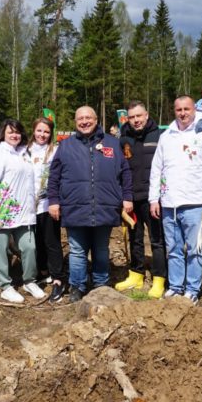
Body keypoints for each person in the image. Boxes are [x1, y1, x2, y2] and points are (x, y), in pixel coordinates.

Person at [48, 106, 133, 303]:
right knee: (77, 250)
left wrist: (127, 196)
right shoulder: (66, 145)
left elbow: (125, 172)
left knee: (101, 248)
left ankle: (100, 284)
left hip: (104, 205)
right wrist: (53, 200)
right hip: (74, 206)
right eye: (80, 119)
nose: (84, 122)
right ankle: (77, 286)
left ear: (96, 120)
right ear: (75, 122)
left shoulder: (112, 143)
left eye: (88, 118)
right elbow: (54, 176)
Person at [148, 96, 202, 304]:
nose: (183, 113)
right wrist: (154, 199)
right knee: (173, 249)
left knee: (196, 251)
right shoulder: (167, 136)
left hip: (195, 204)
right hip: (170, 204)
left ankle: (192, 288)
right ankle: (175, 286)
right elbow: (157, 169)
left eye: (186, 109)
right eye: (178, 109)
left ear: (194, 110)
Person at [0, 119, 46, 303]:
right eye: (10, 132)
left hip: (25, 210)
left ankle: (29, 280)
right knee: (0, 249)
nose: (15, 135)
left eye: (17, 132)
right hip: (4, 210)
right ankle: (5, 285)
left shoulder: (25, 152)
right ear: (3, 133)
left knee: (29, 246)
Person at [114, 101, 167, 299]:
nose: (136, 120)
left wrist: (160, 197)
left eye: (139, 116)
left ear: (146, 115)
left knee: (157, 240)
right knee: (134, 238)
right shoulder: (123, 138)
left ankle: (159, 279)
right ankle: (136, 274)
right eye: (132, 117)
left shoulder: (160, 136)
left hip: (153, 199)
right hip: (131, 199)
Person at [25, 117, 67, 302]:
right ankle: (42, 270)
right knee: (35, 241)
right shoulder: (24, 151)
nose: (42, 135)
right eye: (39, 131)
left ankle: (58, 278)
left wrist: (56, 201)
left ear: (51, 134)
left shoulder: (56, 151)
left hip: (48, 203)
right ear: (33, 131)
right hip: (27, 206)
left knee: (51, 240)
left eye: (46, 132)